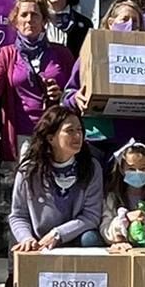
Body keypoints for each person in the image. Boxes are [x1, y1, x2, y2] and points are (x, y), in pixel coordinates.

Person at [0, 0, 76, 160]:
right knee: (27, 175)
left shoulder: (62, 53)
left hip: (57, 131)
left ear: (44, 21)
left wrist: (62, 94)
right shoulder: (7, 54)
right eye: (24, 15)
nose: (29, 20)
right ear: (15, 21)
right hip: (23, 134)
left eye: (35, 15)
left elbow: (76, 85)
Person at [68, 0, 145, 164]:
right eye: (125, 19)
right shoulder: (92, 55)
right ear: (110, 23)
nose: (131, 25)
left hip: (133, 142)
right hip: (96, 139)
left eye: (135, 22)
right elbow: (68, 94)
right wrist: (75, 98)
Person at [8, 106, 104, 252]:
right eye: (70, 131)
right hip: (37, 239)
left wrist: (59, 234)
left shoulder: (91, 168)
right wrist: (27, 239)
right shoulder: (29, 171)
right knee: (19, 241)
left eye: (79, 130)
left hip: (74, 236)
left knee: (91, 239)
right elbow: (18, 215)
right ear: (51, 138)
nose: (77, 135)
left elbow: (91, 215)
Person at [104, 140, 145, 249]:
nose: (137, 172)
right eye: (131, 169)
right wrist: (126, 218)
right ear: (122, 169)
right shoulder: (112, 198)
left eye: (143, 168)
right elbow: (105, 229)